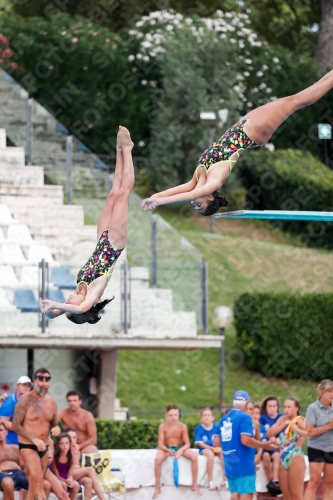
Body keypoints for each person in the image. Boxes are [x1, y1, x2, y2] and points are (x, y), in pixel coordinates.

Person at [141, 70, 333, 216]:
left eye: (195, 206)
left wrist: (156, 197)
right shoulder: (215, 180)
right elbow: (190, 196)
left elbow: (182, 192)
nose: (193, 203)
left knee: (293, 98)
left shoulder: (197, 179)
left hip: (242, 126)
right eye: (199, 205)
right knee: (296, 101)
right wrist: (160, 203)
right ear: (209, 197)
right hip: (253, 132)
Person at [40, 126, 135, 325]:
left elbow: (53, 314)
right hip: (114, 244)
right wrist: (56, 303)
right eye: (69, 306)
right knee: (123, 194)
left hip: (101, 240)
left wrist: (50, 311)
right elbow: (80, 308)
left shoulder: (79, 290)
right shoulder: (93, 293)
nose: (67, 301)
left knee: (113, 193)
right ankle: (127, 149)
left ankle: (118, 150)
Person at [217, 390, 278, 500]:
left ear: (233, 402)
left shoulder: (224, 419)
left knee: (234, 496)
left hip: (230, 465)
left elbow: (216, 442)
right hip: (243, 465)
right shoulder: (245, 418)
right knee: (246, 496)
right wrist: (264, 445)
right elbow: (245, 440)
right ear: (246, 403)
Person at [12, 368, 61, 500]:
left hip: (44, 447)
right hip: (28, 446)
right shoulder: (25, 399)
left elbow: (53, 424)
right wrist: (34, 439)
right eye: (41, 379)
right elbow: (15, 425)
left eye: (47, 379)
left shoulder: (52, 402)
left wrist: (57, 429)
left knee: (34, 485)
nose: (44, 382)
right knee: (39, 483)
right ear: (35, 381)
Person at [152, 404, 201, 499]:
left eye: (175, 415)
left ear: (179, 415)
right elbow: (161, 444)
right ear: (166, 415)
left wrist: (181, 450)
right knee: (157, 460)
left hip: (179, 447)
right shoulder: (162, 426)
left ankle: (195, 484)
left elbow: (187, 444)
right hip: (166, 448)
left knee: (194, 457)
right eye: (171, 415)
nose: (173, 417)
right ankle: (157, 487)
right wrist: (168, 450)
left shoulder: (183, 426)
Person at [266, 397, 307, 500]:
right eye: (285, 407)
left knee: (296, 496)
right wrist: (282, 426)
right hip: (283, 458)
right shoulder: (282, 419)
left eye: (289, 407)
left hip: (295, 456)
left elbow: (309, 435)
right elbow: (269, 433)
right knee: (286, 496)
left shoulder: (300, 420)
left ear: (297, 408)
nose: (286, 410)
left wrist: (296, 429)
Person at [0, 420, 51, 500]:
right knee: (8, 483)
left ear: (6, 432)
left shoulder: (15, 448)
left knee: (46, 484)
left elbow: (25, 466)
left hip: (19, 474)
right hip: (3, 474)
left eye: (1, 430)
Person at [304, 379, 333, 500]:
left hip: (331, 448)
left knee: (330, 483)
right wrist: (329, 426)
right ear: (321, 392)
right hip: (317, 448)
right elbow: (309, 432)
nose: (332, 394)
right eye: (329, 391)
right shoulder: (313, 408)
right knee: (314, 481)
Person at [65, 427, 105, 500]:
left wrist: (76, 452)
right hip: (67, 474)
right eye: (69, 437)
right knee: (90, 470)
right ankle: (102, 498)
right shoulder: (64, 450)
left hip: (75, 474)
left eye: (74, 437)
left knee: (88, 481)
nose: (72, 439)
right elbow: (68, 467)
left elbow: (77, 466)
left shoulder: (76, 450)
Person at [194, 407, 226, 491]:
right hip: (205, 449)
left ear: (212, 417)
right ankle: (210, 481)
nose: (207, 417)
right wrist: (212, 448)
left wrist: (219, 448)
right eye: (204, 415)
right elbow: (201, 444)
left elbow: (220, 440)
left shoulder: (216, 428)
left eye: (209, 415)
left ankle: (225, 481)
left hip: (215, 448)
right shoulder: (198, 429)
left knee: (223, 455)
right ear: (201, 418)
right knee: (210, 455)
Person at [259, 395, 282, 493]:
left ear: (277, 407)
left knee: (276, 455)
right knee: (266, 456)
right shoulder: (262, 418)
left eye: (274, 406)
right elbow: (260, 433)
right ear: (266, 407)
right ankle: (271, 482)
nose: (272, 408)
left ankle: (275, 480)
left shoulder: (281, 418)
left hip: (277, 446)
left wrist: (278, 439)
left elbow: (285, 433)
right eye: (269, 406)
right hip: (265, 445)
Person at [0, 376, 32, 445]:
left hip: (26, 443)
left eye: (28, 385)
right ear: (17, 386)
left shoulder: (32, 401)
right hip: (11, 443)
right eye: (24, 384)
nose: (26, 387)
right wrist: (23, 429)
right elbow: (3, 422)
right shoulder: (9, 401)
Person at [51, 433, 80, 500]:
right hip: (57, 479)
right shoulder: (54, 458)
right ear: (58, 445)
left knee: (76, 485)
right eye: (62, 443)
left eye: (67, 443)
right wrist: (66, 481)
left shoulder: (72, 458)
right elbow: (57, 476)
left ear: (70, 444)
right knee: (63, 485)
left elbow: (70, 474)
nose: (65, 445)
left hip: (66, 479)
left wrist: (70, 480)